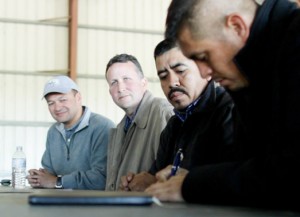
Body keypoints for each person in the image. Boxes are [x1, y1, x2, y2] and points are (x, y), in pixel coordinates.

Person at [152, 0, 300, 209]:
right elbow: (249, 166)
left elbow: (290, 175)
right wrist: (191, 178)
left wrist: (195, 183)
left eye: (203, 57)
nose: (204, 72)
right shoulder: (246, 75)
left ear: (237, 27)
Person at [119, 38, 236, 192]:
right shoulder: (173, 125)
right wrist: (142, 181)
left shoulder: (230, 110)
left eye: (180, 71)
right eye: (163, 76)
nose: (172, 82)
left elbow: (240, 177)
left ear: (206, 71)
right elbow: (157, 176)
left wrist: (189, 182)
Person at [27, 75, 115, 189]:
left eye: (62, 100)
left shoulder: (103, 127)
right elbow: (49, 174)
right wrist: (39, 178)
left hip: (95, 204)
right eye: (51, 103)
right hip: (60, 202)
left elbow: (102, 178)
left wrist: (57, 182)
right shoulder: (54, 132)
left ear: (78, 97)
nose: (57, 108)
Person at [105, 53, 174, 191]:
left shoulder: (164, 113)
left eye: (126, 79)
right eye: (114, 82)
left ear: (144, 83)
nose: (121, 88)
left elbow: (176, 174)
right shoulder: (119, 129)